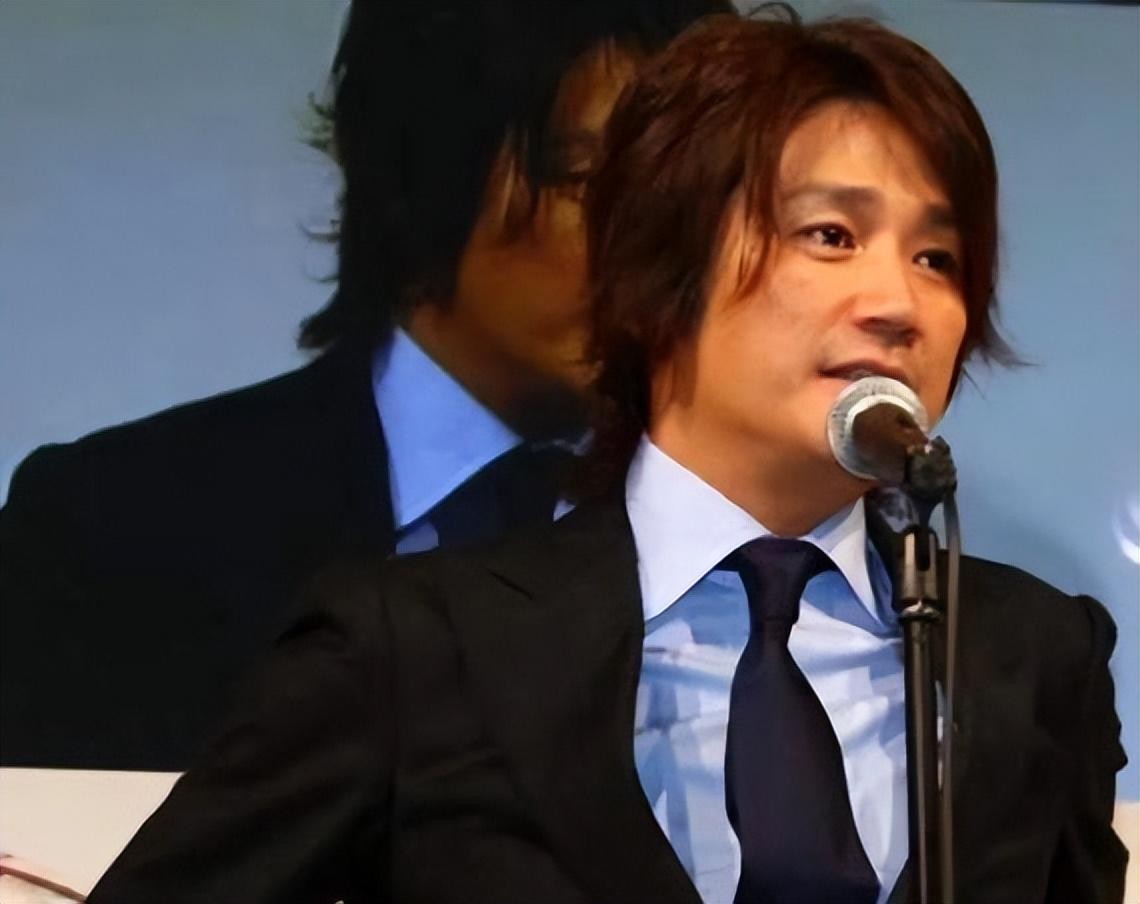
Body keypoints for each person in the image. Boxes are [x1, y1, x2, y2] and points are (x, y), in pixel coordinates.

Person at [85, 9, 1128, 904]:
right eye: (830, 236)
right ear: (656, 270)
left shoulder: (1034, 657)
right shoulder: (414, 647)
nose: (899, 302)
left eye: (939, 257)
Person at [0, 0, 729, 771]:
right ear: (419, 171)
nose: (658, 248)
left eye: (693, 199)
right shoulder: (111, 533)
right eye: (589, 182)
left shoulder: (774, 546)